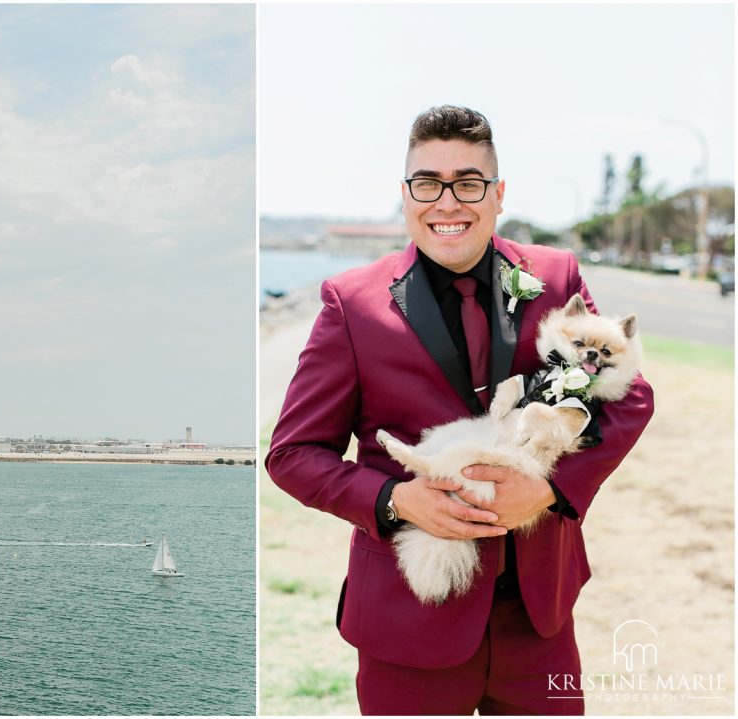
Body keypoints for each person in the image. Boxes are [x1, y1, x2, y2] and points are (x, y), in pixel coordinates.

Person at [266, 105, 654, 715]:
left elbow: (629, 395)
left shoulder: (555, 277)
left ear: (498, 195)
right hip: (410, 615)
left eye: (468, 183)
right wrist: (395, 502)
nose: (448, 202)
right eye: (428, 183)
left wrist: (550, 492)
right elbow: (292, 455)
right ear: (405, 195)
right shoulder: (350, 304)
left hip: (539, 617)